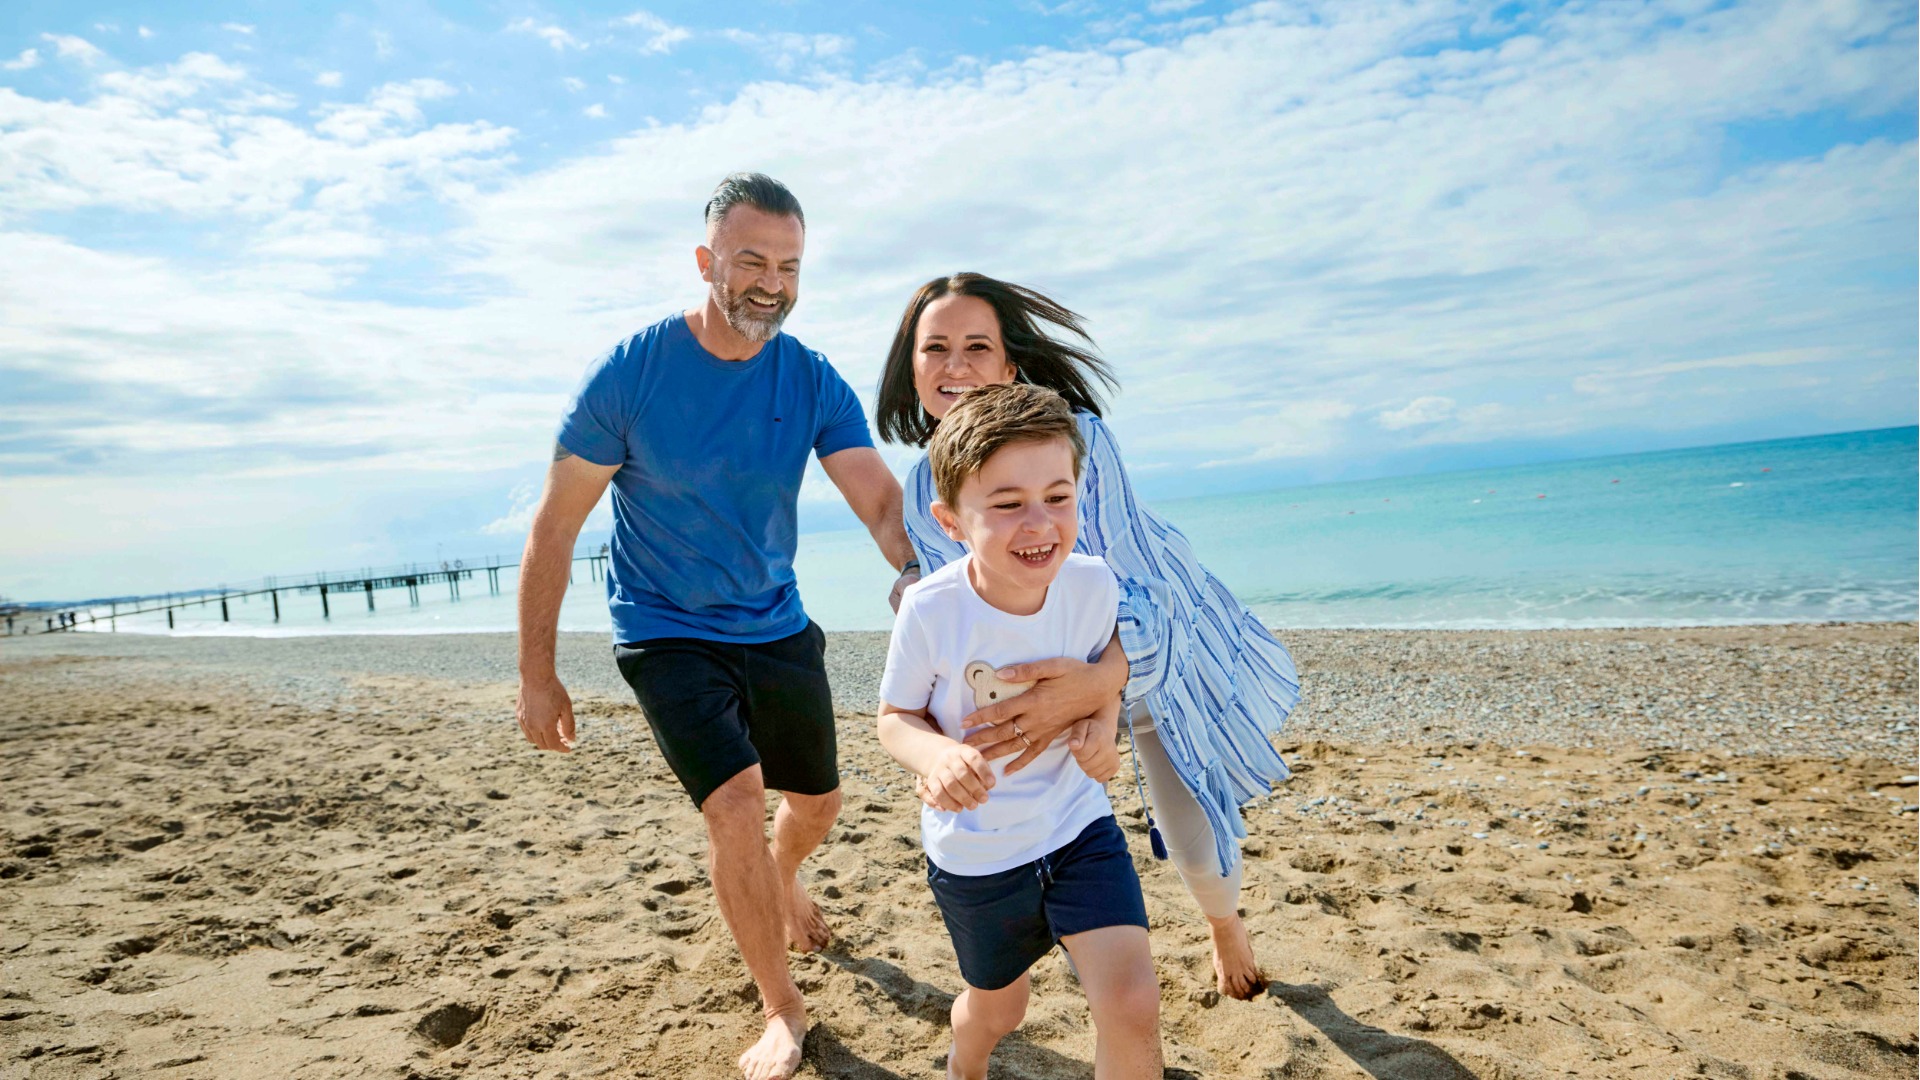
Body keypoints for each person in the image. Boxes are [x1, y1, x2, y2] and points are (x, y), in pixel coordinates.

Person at [514, 173, 917, 1080]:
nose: (771, 282)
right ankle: (783, 1009)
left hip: (773, 618)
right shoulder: (630, 375)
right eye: (750, 261)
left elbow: (881, 503)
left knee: (816, 804)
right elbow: (555, 528)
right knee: (734, 803)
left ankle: (780, 875)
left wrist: (931, 577)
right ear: (707, 262)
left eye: (789, 265)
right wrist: (538, 675)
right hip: (664, 627)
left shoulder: (809, 376)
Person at [877, 273, 1301, 1000]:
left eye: (977, 346)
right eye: (935, 349)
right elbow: (969, 613)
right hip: (1044, 692)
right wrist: (937, 747)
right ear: (910, 370)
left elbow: (1144, 595)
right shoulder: (926, 489)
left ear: (1011, 365)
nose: (955, 366)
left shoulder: (1081, 442)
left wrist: (1101, 685)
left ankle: (1224, 923)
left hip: (1151, 661)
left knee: (1198, 840)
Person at [878, 383, 1161, 1080]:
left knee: (1131, 1002)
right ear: (950, 521)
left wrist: (1099, 727)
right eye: (1007, 505)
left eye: (1058, 498)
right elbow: (894, 718)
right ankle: (963, 1065)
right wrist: (938, 755)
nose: (1039, 524)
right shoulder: (930, 610)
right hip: (978, 851)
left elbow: (1099, 675)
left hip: (1076, 824)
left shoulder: (1093, 585)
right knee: (1000, 1010)